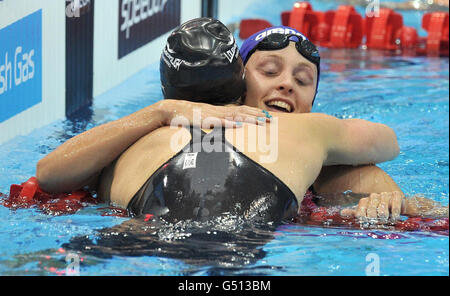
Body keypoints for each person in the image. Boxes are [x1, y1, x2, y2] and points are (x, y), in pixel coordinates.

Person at [36, 18, 403, 224]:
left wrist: (389, 199)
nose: (286, 84)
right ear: (238, 79)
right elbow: (389, 142)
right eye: (270, 70)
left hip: (134, 241)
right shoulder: (311, 134)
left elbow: (48, 176)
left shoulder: (313, 139)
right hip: (240, 252)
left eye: (303, 80)